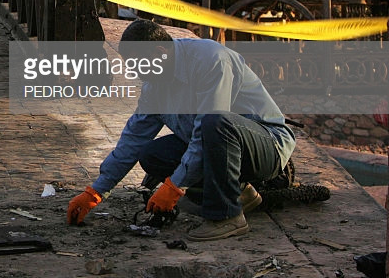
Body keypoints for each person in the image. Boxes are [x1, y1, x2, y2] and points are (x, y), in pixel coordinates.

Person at [66, 19, 296, 241]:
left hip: (267, 146)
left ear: (159, 53)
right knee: (151, 154)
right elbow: (133, 139)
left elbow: (206, 134)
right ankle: (238, 193)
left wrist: (175, 187)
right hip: (221, 149)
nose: (136, 72)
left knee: (215, 122)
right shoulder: (154, 85)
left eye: (138, 64)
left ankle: (228, 216)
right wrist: (96, 191)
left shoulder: (210, 60)